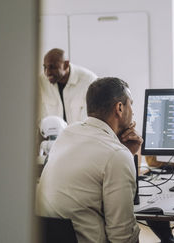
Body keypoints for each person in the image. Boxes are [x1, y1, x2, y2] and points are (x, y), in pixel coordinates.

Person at [36, 77, 141, 243]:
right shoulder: (116, 155)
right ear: (119, 108)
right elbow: (122, 238)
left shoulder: (67, 133)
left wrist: (125, 151)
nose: (133, 112)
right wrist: (124, 154)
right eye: (131, 104)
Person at [39, 48, 97, 124]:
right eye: (45, 67)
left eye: (52, 67)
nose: (47, 72)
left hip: (80, 134)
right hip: (51, 134)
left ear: (66, 65)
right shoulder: (41, 81)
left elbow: (91, 120)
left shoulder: (89, 81)